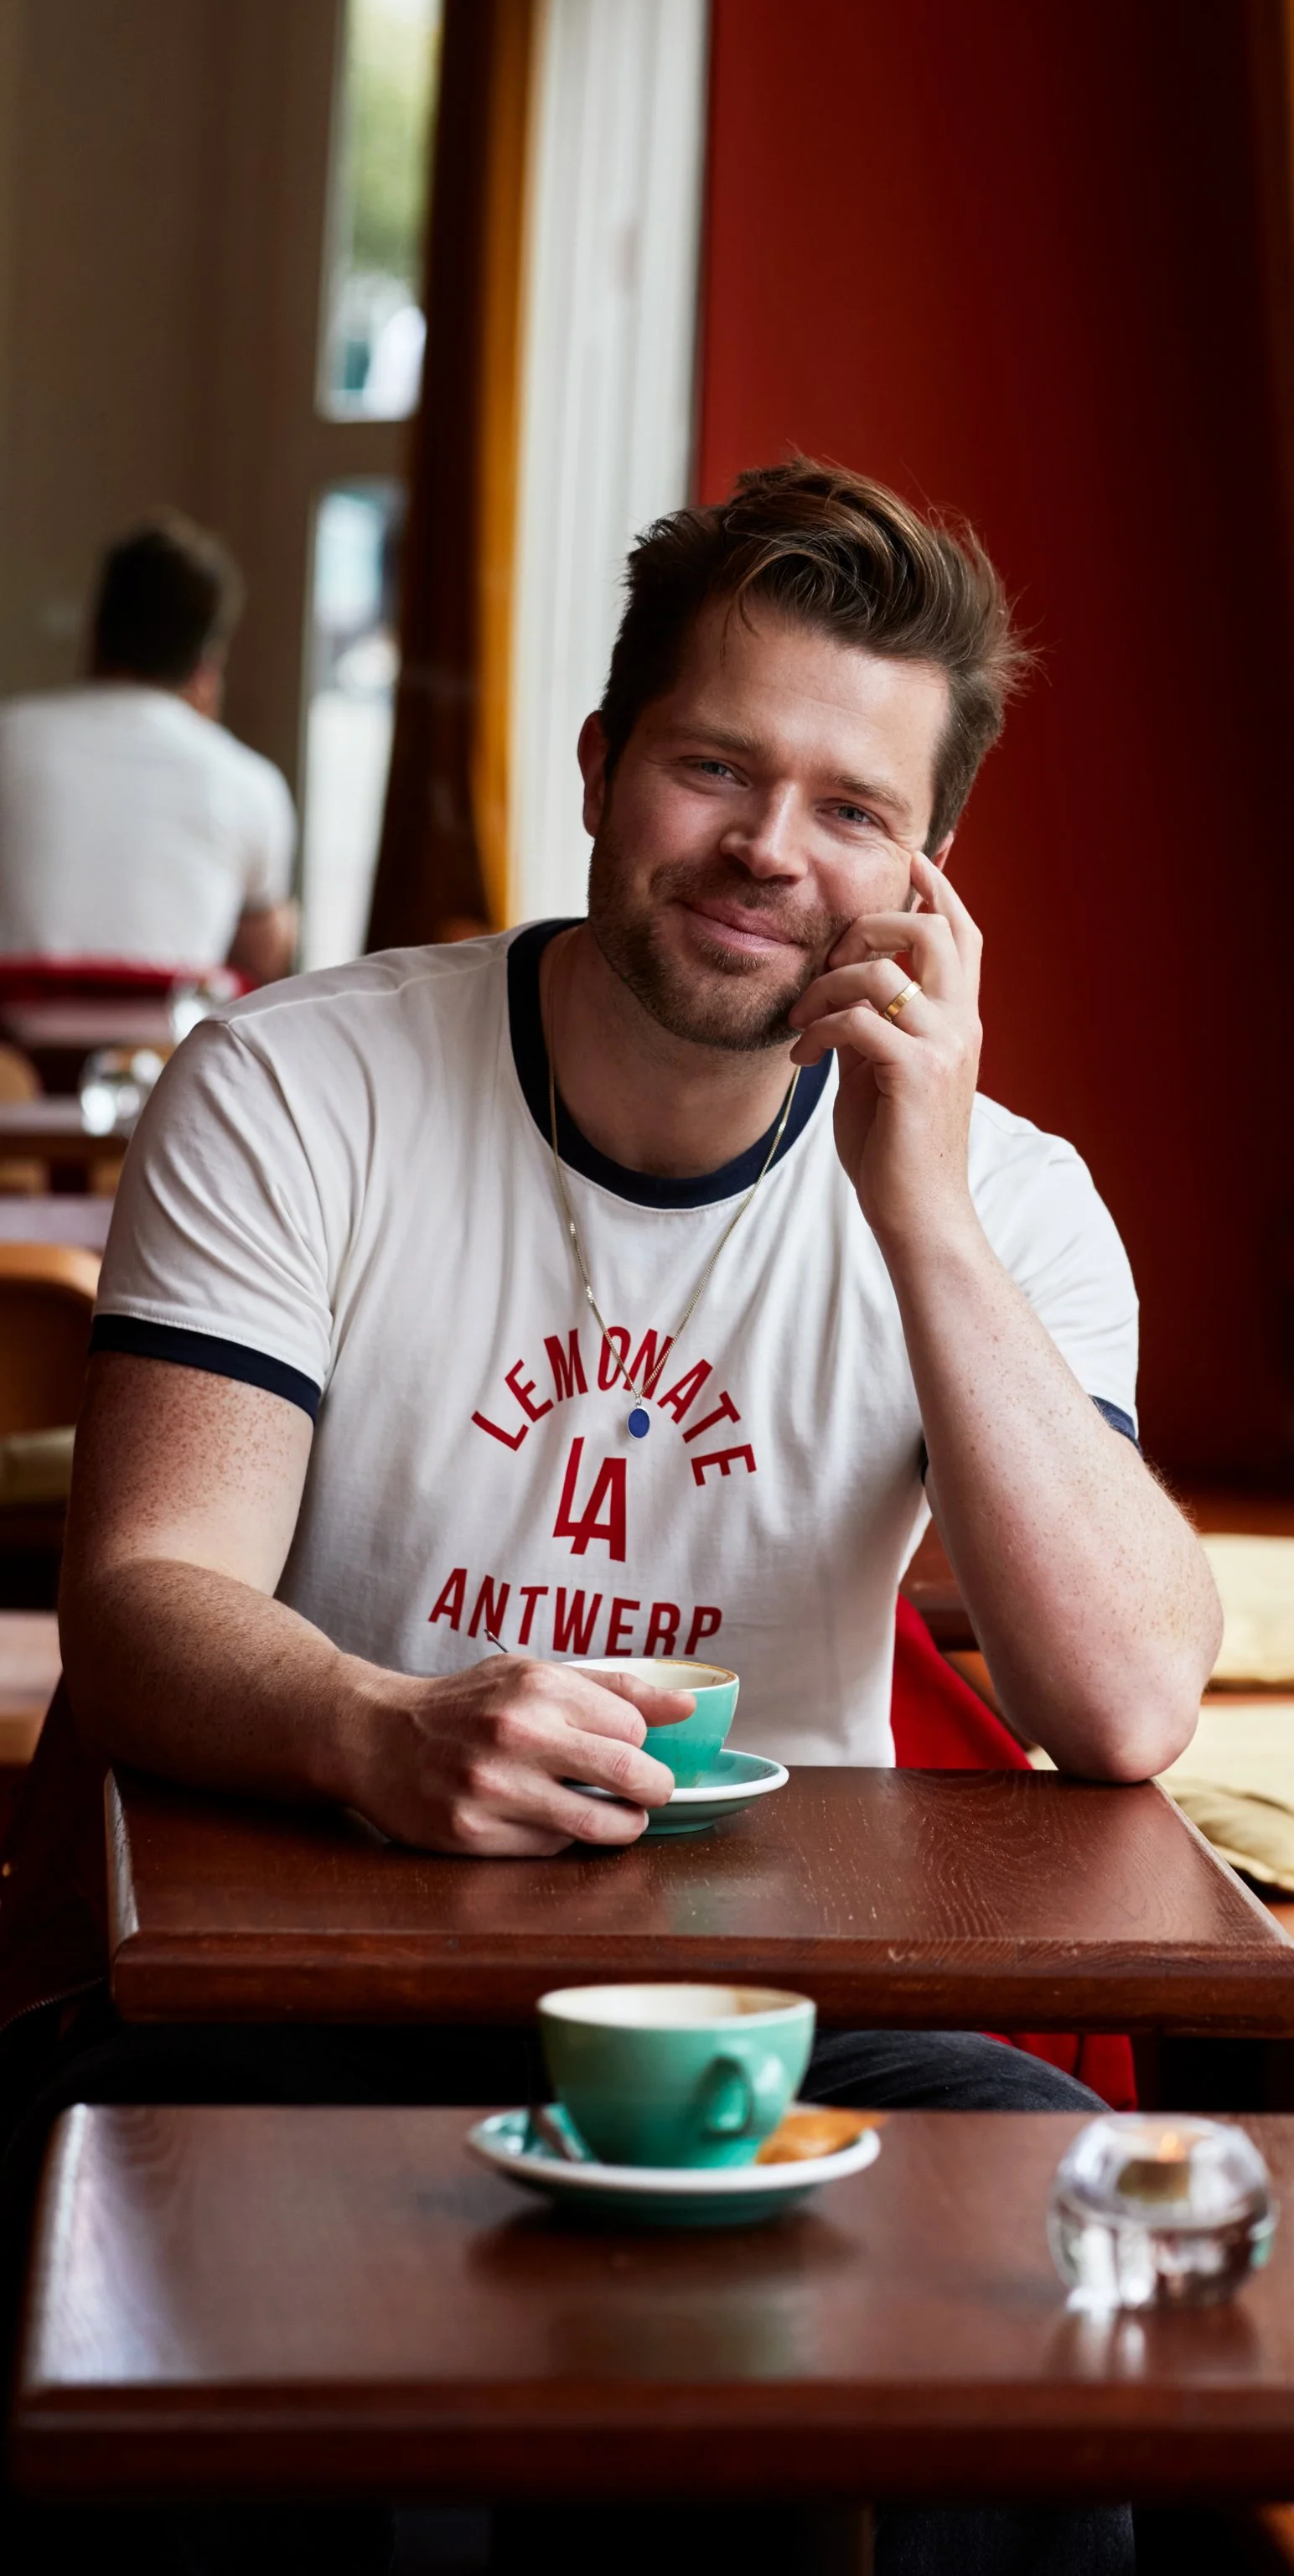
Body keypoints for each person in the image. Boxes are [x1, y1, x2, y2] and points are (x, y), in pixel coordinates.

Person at [36, 463, 1219, 2573]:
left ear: (925, 883)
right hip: (316, 1975)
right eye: (713, 766)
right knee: (195, 2300)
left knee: (1051, 2252)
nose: (771, 848)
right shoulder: (302, 1085)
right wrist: (374, 1727)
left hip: (800, 2014)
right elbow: (140, 1599)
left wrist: (918, 1204)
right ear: (600, 766)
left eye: (853, 811)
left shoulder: (1009, 1200)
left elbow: (1124, 1704)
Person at [0, 515, 297, 984]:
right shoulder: (250, 782)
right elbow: (264, 963)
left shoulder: (9, 736)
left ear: (93, 632)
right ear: (207, 664)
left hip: (15, 1052)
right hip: (168, 1053)